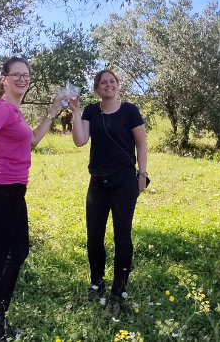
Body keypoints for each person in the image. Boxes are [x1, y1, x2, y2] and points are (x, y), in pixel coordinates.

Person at [0, 57, 63, 341]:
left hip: (14, 191)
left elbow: (31, 141)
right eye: (16, 75)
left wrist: (53, 112)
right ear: (3, 79)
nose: (22, 79)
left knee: (17, 252)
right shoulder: (2, 108)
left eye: (26, 75)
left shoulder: (15, 111)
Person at [69, 69, 148, 318]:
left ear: (118, 85)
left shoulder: (130, 110)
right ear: (96, 89)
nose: (108, 85)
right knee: (94, 237)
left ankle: (118, 292)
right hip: (98, 182)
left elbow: (141, 143)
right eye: (103, 82)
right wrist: (75, 111)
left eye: (112, 81)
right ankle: (97, 283)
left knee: (122, 238)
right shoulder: (91, 111)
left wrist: (142, 174)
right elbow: (80, 141)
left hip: (124, 181)